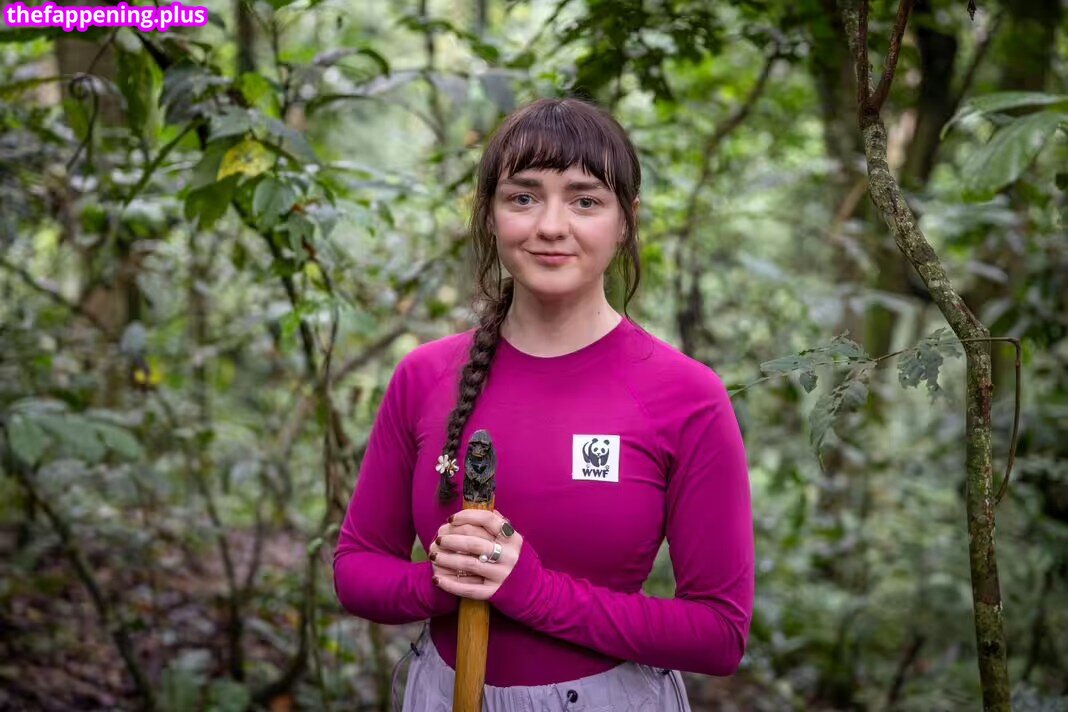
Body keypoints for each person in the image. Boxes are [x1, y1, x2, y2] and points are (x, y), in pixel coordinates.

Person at [332, 96, 754, 711]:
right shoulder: (425, 376)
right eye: (524, 197)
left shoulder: (685, 395)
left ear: (627, 220)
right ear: (490, 214)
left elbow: (719, 634)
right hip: (441, 690)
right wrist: (443, 583)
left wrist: (533, 591)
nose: (551, 226)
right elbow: (356, 569)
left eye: (585, 201)